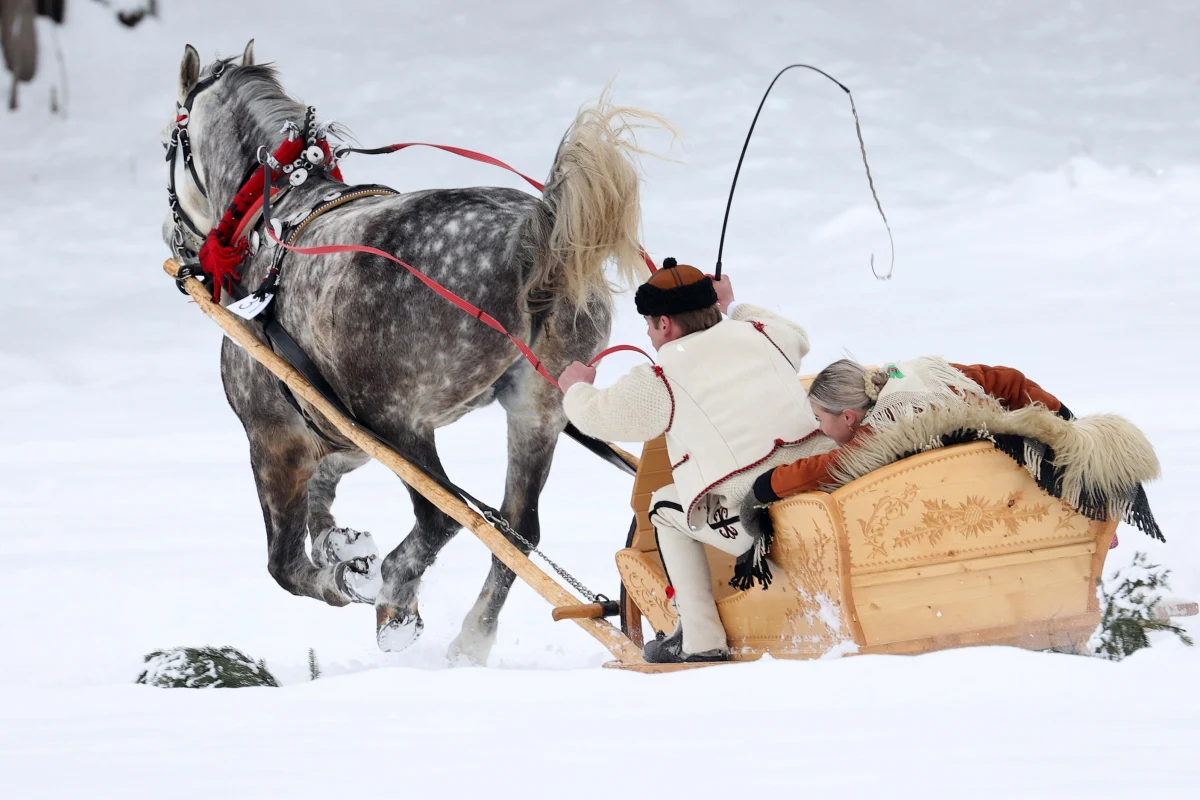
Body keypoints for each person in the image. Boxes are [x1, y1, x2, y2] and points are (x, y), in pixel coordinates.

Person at [558, 258, 833, 663]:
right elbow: (799, 338)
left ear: (665, 324)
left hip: (759, 519)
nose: (650, 335)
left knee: (663, 507)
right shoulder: (763, 334)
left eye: (650, 325)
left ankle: (700, 639)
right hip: (821, 485)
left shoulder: (661, 377)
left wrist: (575, 389)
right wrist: (733, 304)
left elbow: (598, 418)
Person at [752, 357, 1072, 502]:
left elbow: (827, 468)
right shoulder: (921, 374)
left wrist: (768, 484)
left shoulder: (883, 431)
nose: (820, 428)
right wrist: (1061, 417)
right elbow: (1009, 380)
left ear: (849, 417)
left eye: (819, 418)